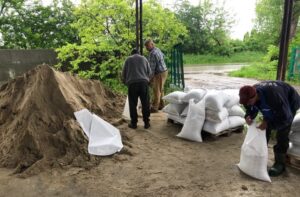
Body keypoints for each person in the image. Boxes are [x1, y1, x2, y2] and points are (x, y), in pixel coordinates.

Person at [239, 80, 300, 176]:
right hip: (271, 101)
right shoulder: (251, 94)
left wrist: (268, 124)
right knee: (264, 129)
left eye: (249, 102)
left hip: (289, 101)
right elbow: (251, 107)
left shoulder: (274, 98)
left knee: (282, 132)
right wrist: (248, 115)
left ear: (255, 96)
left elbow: (285, 119)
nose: (248, 104)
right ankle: (261, 156)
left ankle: (280, 163)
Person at [122, 49, 152, 129]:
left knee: (132, 104)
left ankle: (134, 123)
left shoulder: (128, 59)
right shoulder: (144, 59)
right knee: (145, 103)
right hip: (143, 83)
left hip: (132, 84)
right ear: (139, 53)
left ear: (131, 53)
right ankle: (146, 123)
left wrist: (126, 82)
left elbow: (123, 73)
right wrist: (147, 81)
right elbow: (149, 72)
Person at [144, 39, 168, 113]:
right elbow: (163, 56)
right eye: (146, 46)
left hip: (159, 73)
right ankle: (162, 105)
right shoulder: (157, 49)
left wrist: (149, 78)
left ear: (152, 44)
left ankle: (155, 107)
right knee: (161, 89)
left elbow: (152, 69)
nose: (146, 48)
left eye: (148, 46)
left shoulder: (152, 53)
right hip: (164, 71)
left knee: (156, 90)